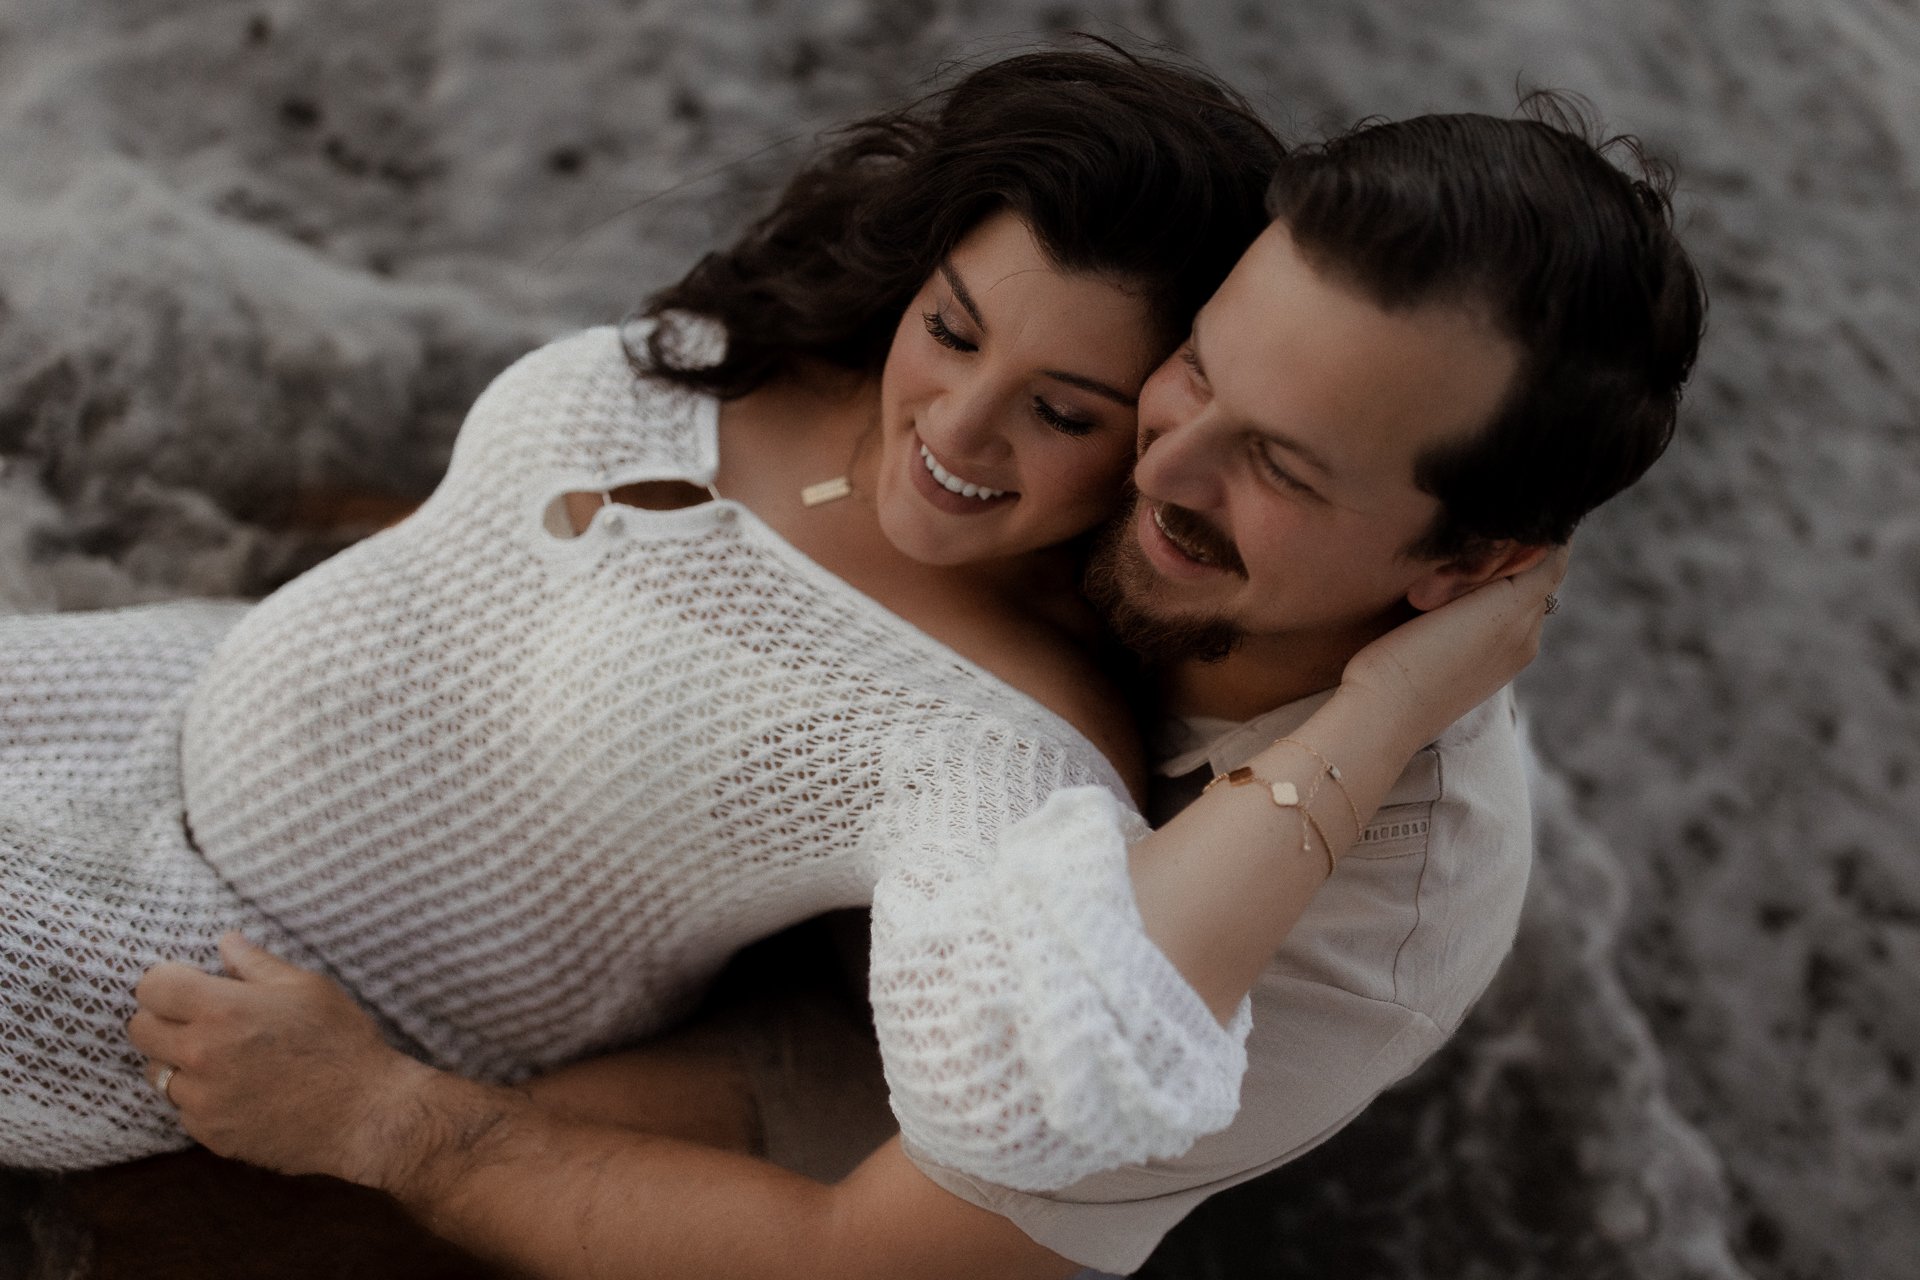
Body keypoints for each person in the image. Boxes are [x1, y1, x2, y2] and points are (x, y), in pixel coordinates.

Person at [121, 95, 1704, 1278]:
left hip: (894, 1072)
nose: (1168, 462)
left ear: (1465, 566)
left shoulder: (1364, 929)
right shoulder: (1137, 430)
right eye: (1202, 368)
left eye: (1277, 466)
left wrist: (392, 1121)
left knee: (316, 1220)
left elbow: (860, 1256)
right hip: (841, 829)